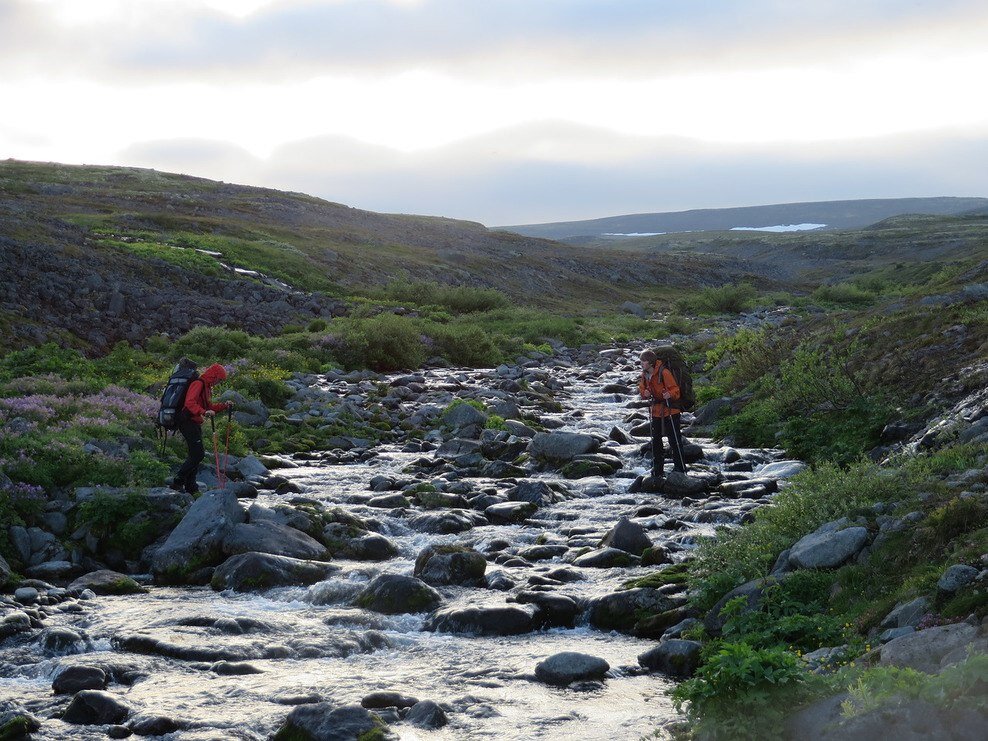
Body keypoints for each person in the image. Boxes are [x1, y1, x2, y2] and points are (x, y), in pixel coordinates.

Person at [170, 363, 232, 494]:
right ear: (214, 376)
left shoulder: (206, 387)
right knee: (198, 454)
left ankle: (191, 486)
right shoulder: (198, 384)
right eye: (219, 379)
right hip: (187, 421)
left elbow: (209, 407)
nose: (219, 383)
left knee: (195, 454)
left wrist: (224, 406)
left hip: (194, 422)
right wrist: (203, 412)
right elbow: (189, 403)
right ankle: (177, 482)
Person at [638, 349, 687, 480]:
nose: (641, 363)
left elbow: (676, 390)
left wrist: (669, 394)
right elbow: (642, 390)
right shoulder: (645, 375)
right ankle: (658, 469)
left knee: (674, 440)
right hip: (656, 410)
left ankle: (680, 469)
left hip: (671, 410)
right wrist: (645, 394)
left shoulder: (664, 372)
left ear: (651, 362)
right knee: (656, 441)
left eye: (643, 361)